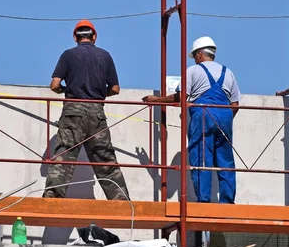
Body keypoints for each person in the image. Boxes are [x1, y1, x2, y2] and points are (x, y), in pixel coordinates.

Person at [143, 36, 241, 204]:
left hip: (203, 115)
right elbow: (235, 104)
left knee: (201, 160)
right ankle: (227, 203)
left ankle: (203, 202)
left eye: (195, 55)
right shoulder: (228, 72)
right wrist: (222, 118)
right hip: (225, 116)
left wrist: (157, 100)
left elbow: (181, 97)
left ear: (200, 54)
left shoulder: (193, 71)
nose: (195, 59)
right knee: (225, 161)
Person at [43, 19, 130, 201]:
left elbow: (54, 85)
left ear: (75, 36)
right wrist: (99, 94)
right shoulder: (104, 56)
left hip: (73, 112)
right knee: (105, 158)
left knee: (65, 154)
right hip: (96, 113)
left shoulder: (68, 55)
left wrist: (66, 90)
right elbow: (115, 89)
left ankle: (52, 196)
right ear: (94, 37)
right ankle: (120, 200)